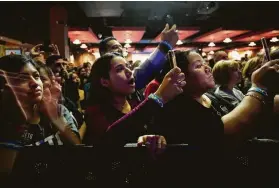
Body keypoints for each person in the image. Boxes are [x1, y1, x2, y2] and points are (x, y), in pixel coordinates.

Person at [151, 50, 279, 186]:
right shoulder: (178, 109)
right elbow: (224, 134)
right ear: (179, 76)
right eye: (198, 66)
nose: (208, 68)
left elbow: (248, 120)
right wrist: (258, 87)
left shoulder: (211, 97)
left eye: (205, 63)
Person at [84, 52, 185, 146]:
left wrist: (154, 139)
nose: (129, 71)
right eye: (119, 69)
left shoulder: (135, 102)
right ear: (105, 82)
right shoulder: (95, 111)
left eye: (128, 66)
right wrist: (158, 97)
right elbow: (109, 139)